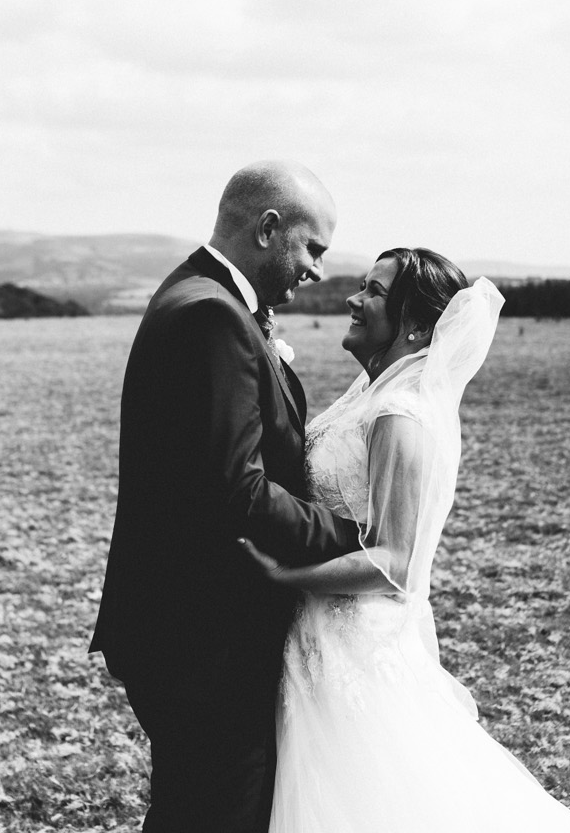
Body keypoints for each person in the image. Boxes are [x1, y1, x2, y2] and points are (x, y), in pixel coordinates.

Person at [239, 248, 570, 832]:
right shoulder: (372, 393)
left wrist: (285, 577)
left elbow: (394, 563)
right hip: (318, 638)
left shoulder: (399, 413)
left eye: (373, 292)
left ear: (416, 326)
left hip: (353, 648)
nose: (354, 299)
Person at [89, 161, 364, 833]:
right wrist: (352, 535)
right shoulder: (213, 317)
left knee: (198, 811)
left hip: (189, 631)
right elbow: (235, 491)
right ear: (269, 228)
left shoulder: (203, 298)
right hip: (200, 641)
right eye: (313, 248)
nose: (319, 271)